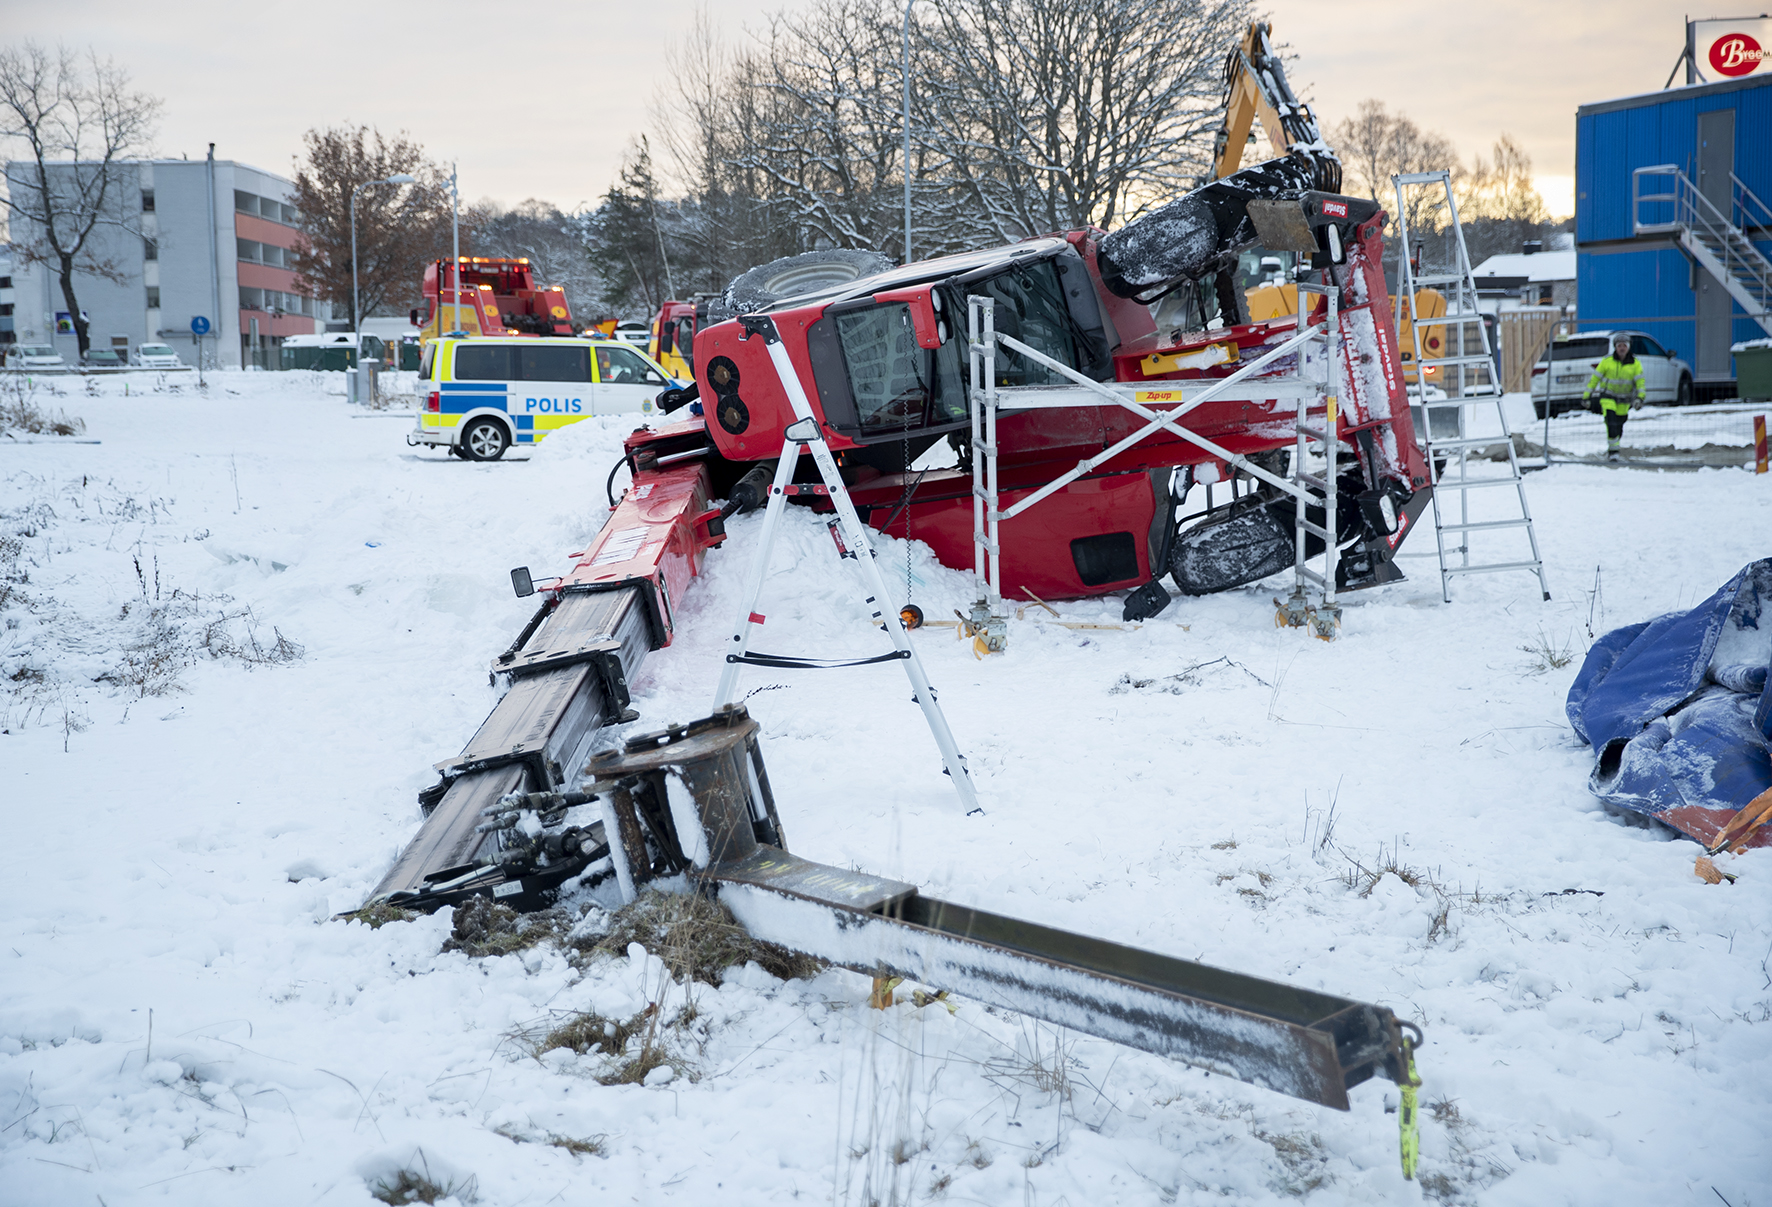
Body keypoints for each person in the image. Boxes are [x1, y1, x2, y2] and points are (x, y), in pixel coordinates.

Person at [1583, 334, 1645, 462]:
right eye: (1619, 346)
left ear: (1628, 347)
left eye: (1624, 346)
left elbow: (1640, 383)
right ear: (1615, 348)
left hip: (1624, 401)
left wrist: (1640, 397)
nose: (1622, 348)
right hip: (1608, 398)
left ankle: (1614, 447)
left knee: (1619, 426)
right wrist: (1586, 396)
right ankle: (1613, 452)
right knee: (1611, 422)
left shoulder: (1635, 364)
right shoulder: (1607, 362)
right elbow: (1594, 379)